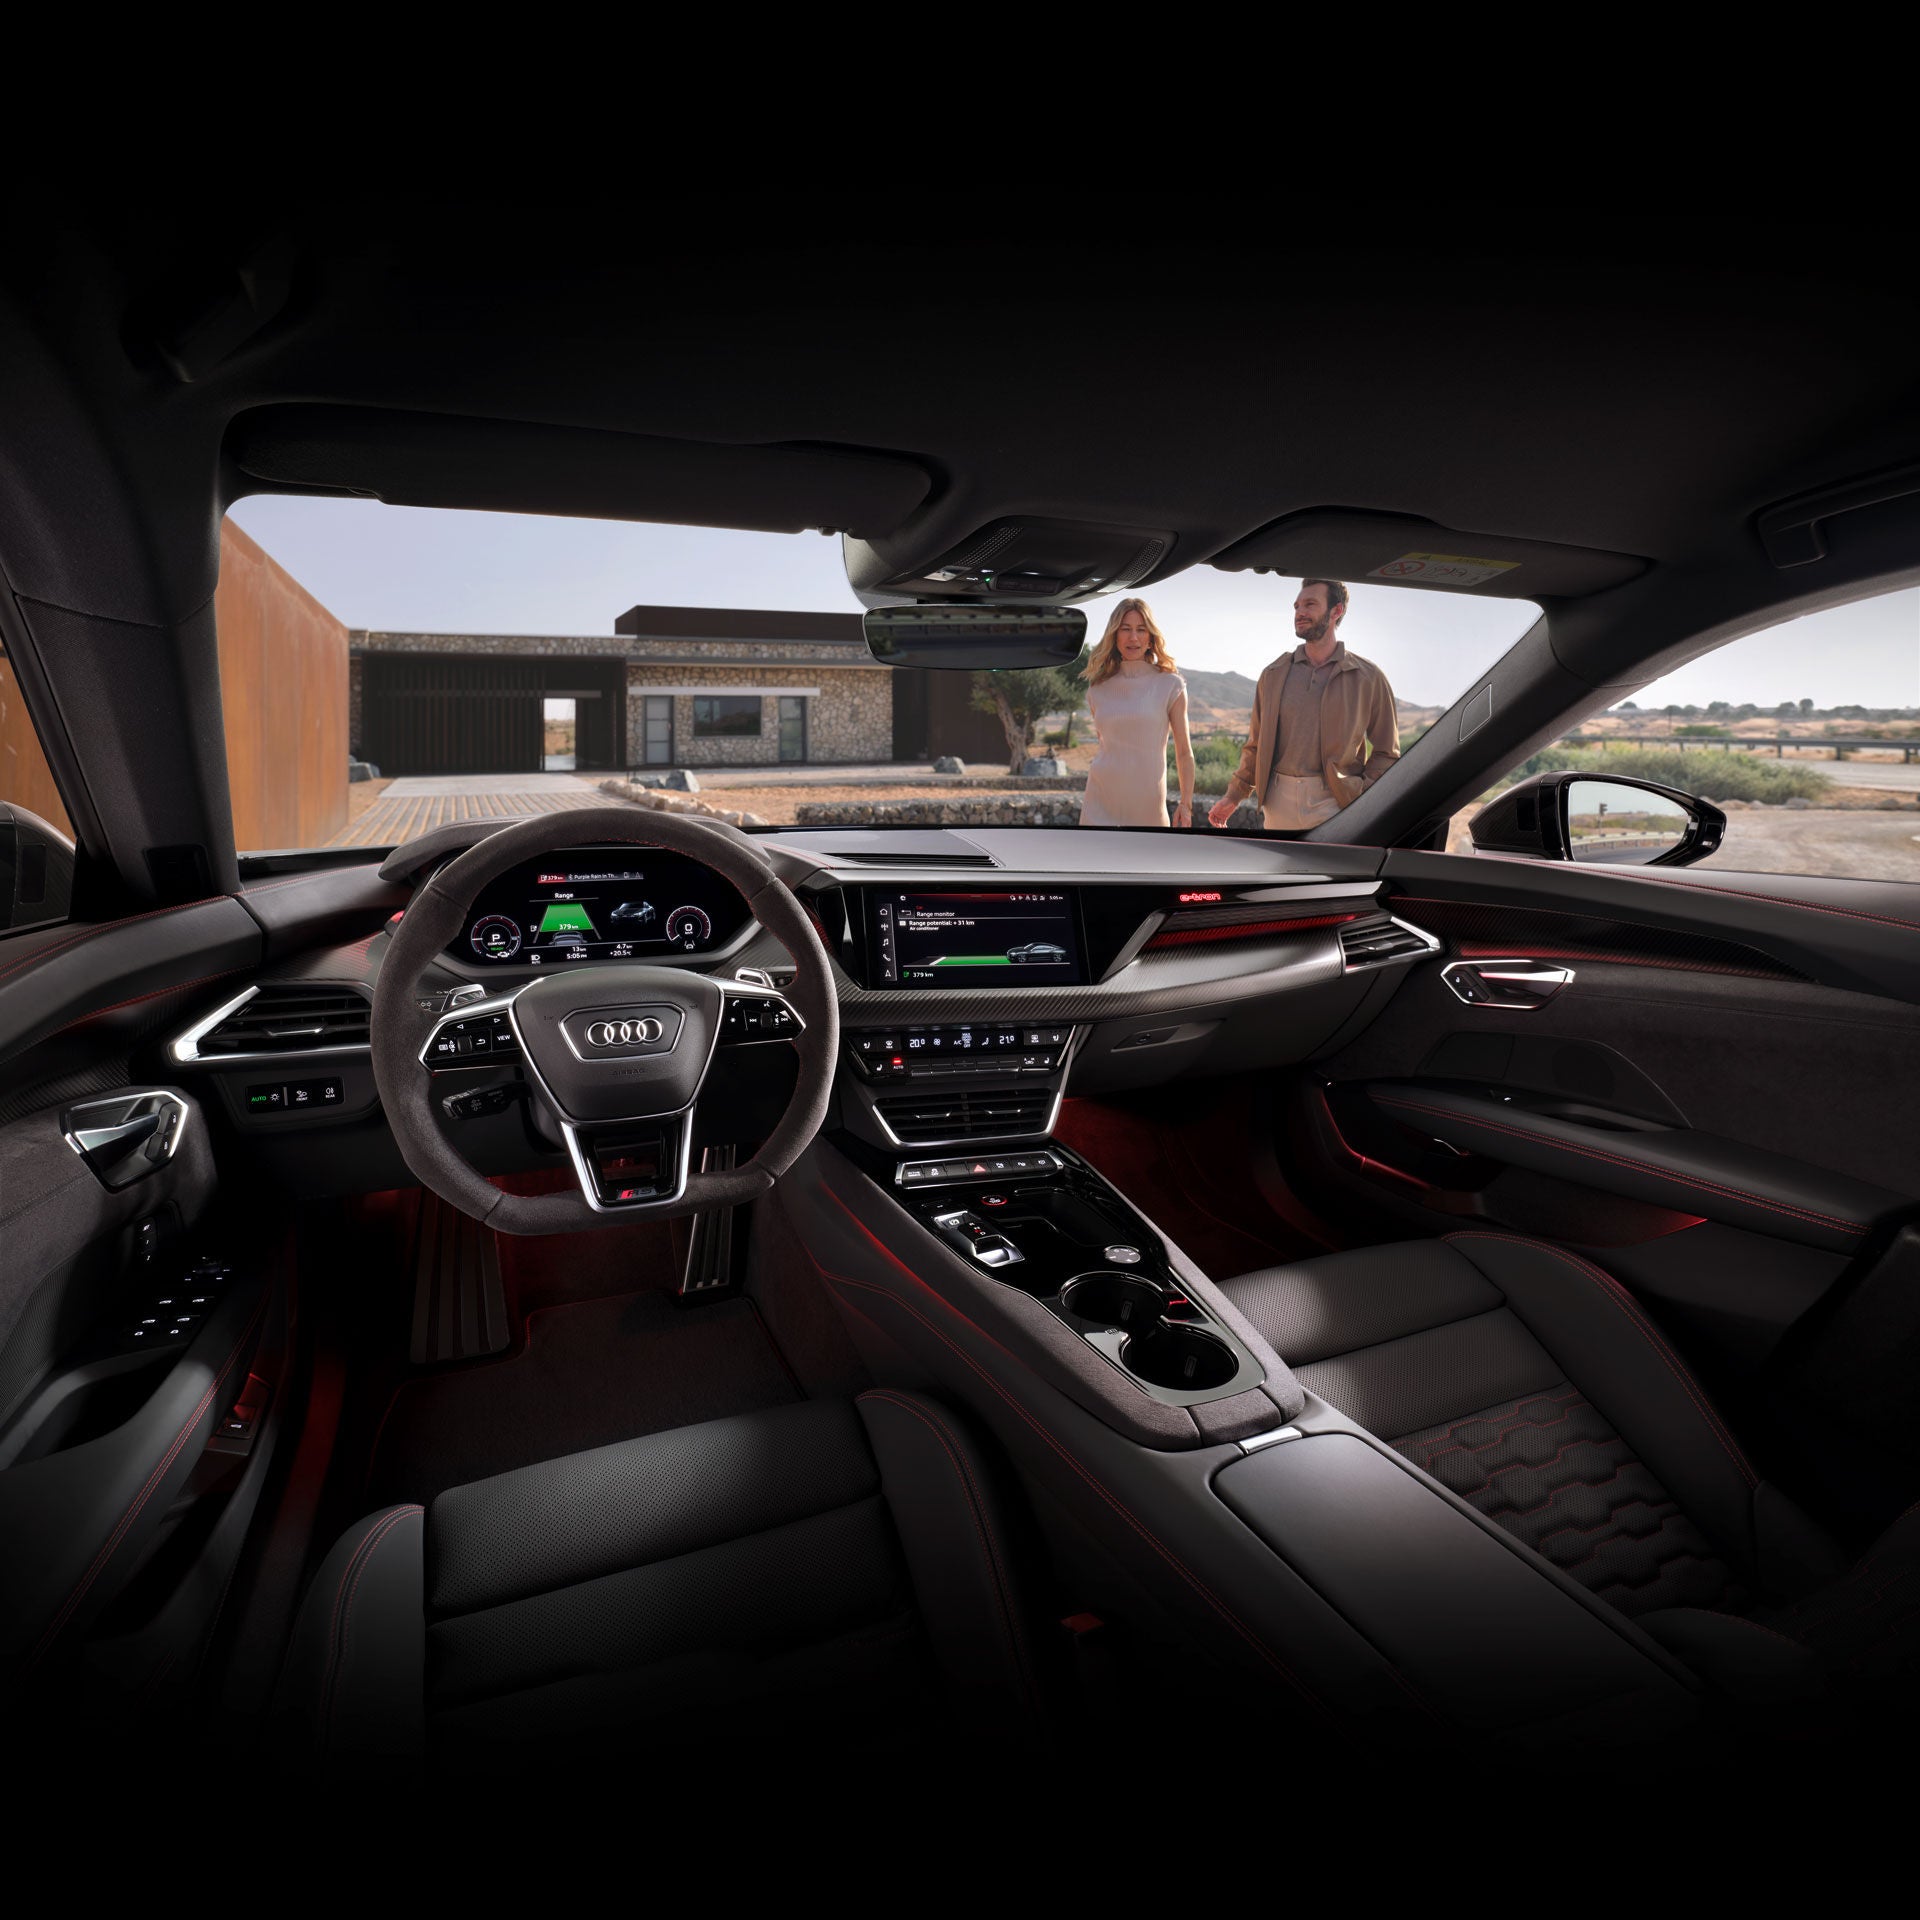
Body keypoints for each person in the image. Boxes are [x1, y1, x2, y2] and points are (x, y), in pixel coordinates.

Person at [1207, 578, 1400, 831]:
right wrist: (1234, 795)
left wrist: (1362, 795)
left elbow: (1387, 751)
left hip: (1335, 801)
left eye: (1310, 604)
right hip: (1278, 802)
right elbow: (1255, 745)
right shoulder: (1273, 674)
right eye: (1297, 606)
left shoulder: (1368, 677)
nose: (1300, 612)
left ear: (1336, 611)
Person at [1079, 598, 1195, 828]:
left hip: (1149, 809)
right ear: (1115, 635)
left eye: (1141, 630)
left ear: (1151, 638)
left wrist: (1186, 803)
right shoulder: (1097, 688)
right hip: (1099, 803)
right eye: (1125, 629)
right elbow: (1108, 747)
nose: (1133, 637)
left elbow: (1184, 752)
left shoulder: (1170, 685)